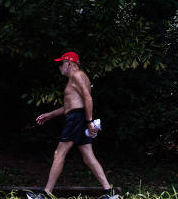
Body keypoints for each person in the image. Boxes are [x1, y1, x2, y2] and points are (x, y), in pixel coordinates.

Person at [26, 52, 119, 199]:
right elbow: (70, 105)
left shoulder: (77, 76)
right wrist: (50, 115)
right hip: (77, 117)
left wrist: (88, 122)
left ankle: (46, 194)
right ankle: (109, 192)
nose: (59, 67)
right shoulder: (74, 79)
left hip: (77, 119)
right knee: (88, 156)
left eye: (61, 63)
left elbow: (88, 98)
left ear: (69, 63)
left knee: (59, 153)